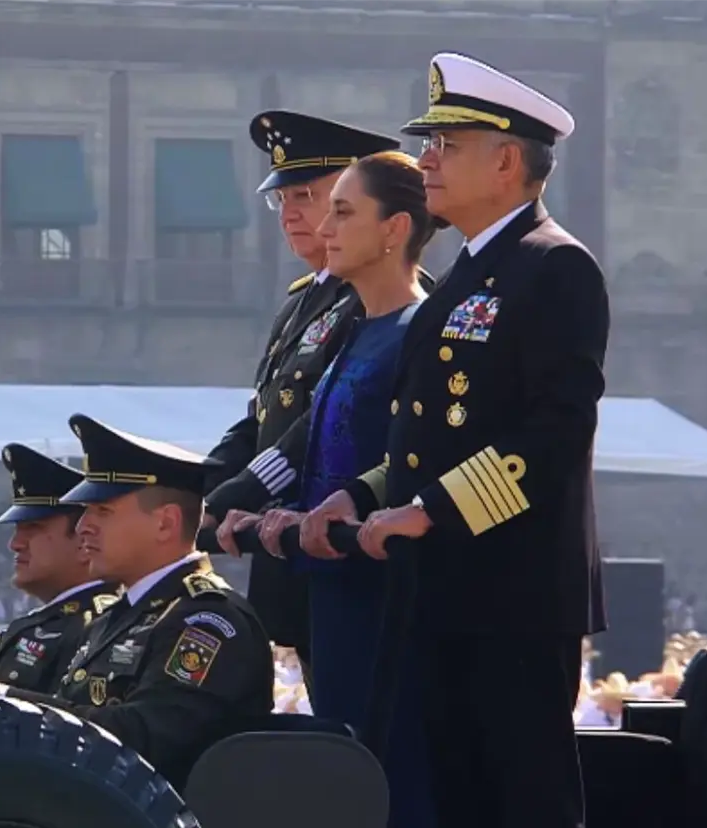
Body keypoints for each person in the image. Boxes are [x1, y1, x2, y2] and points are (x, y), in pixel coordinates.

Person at [305, 52, 609, 828]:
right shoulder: (470, 275)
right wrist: (366, 492)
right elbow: (423, 439)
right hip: (439, 582)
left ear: (506, 162)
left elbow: (556, 429)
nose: (427, 161)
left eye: (448, 146)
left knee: (521, 796)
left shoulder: (553, 267)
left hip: (514, 589)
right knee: (456, 796)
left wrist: (434, 509)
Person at [0, 414, 274, 787]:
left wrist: (0, 699)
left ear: (165, 522)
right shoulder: (122, 616)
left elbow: (145, 739)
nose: (83, 526)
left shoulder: (208, 621)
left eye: (102, 510)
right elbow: (70, 715)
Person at [230, 151, 441, 828]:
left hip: (387, 587)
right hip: (329, 585)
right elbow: (302, 444)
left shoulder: (421, 330)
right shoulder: (350, 330)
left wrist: (353, 502)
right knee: (347, 772)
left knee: (397, 773)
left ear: (393, 229)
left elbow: (420, 455)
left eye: (342, 211)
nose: (323, 227)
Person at [202, 110, 402, 680]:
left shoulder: (378, 298)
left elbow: (312, 427)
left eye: (308, 197)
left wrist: (233, 495)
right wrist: (195, 488)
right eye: (279, 199)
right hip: (289, 549)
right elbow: (260, 418)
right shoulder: (301, 302)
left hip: (342, 544)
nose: (289, 213)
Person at [0, 442, 118, 692]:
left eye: (33, 528)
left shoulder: (98, 626)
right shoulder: (52, 622)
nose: (15, 544)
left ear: (82, 542)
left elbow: (74, 720)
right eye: (17, 530)